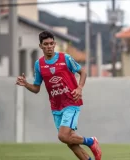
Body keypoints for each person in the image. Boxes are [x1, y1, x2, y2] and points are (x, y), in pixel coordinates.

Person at [15, 31, 102, 160]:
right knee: (69, 141)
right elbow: (36, 88)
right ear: (41, 46)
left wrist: (79, 88)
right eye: (46, 44)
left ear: (54, 44)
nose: (49, 46)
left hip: (71, 102)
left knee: (63, 136)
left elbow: (83, 72)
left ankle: (91, 141)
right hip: (56, 107)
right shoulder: (39, 64)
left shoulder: (65, 58)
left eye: (51, 43)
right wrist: (26, 84)